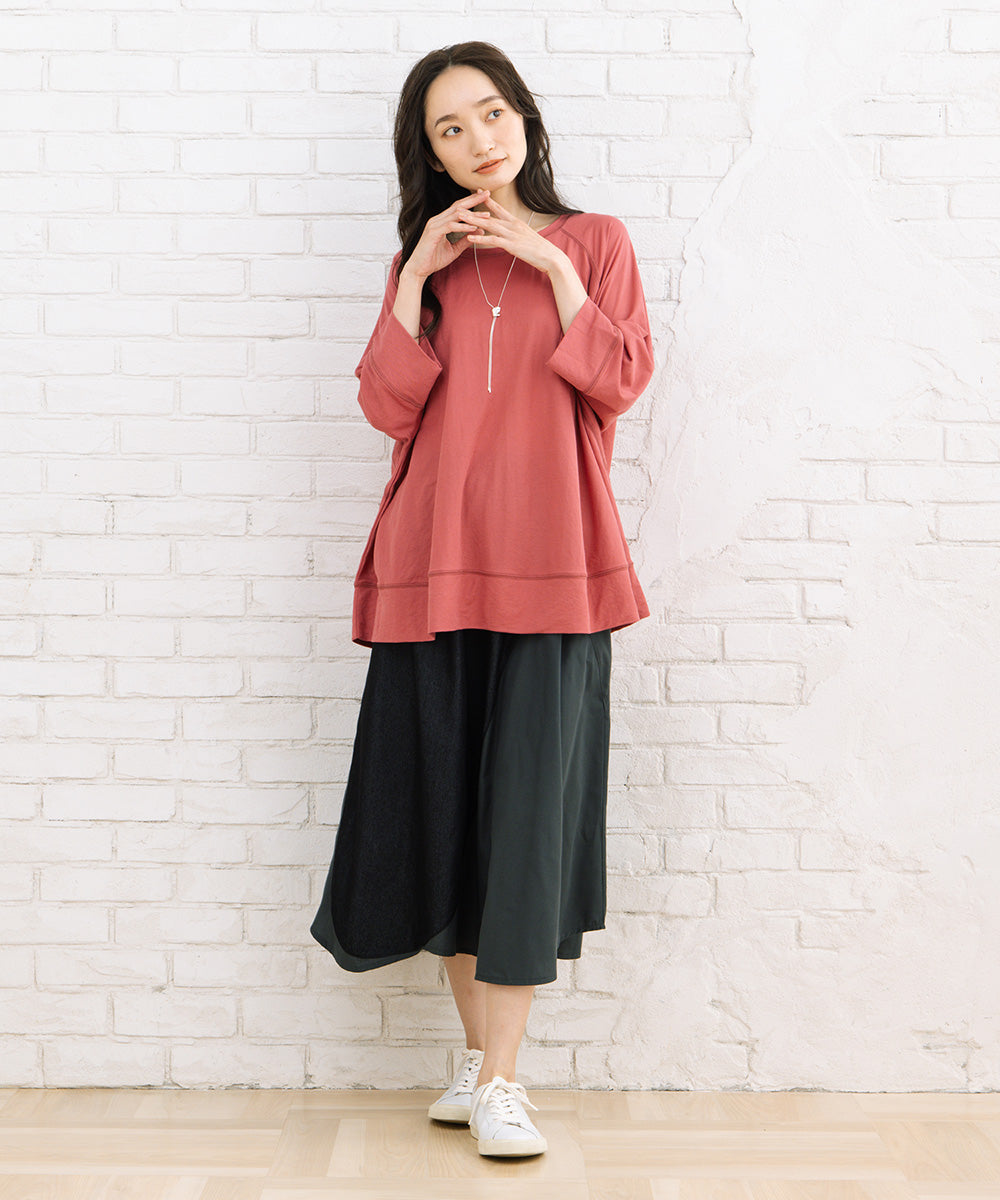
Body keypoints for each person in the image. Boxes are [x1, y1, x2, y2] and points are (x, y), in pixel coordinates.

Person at [311, 40, 654, 1158]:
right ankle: (476, 1063)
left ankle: (505, 1080)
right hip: (434, 570)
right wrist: (416, 277)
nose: (477, 140)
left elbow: (620, 378)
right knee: (450, 820)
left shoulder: (596, 242)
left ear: (526, 119)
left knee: (524, 826)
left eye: (491, 114)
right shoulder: (423, 261)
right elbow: (387, 408)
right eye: (449, 129)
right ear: (430, 153)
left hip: (554, 570)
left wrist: (552, 269)